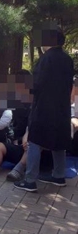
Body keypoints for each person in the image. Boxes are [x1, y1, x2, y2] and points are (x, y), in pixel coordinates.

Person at [15, 28, 74, 192]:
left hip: (44, 107)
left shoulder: (45, 59)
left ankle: (30, 180)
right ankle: (58, 175)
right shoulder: (67, 59)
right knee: (59, 141)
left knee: (35, 140)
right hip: (62, 107)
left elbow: (37, 85)